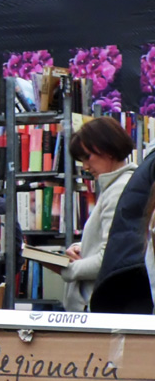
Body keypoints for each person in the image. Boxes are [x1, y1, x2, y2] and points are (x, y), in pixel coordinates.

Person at [58, 117, 135, 312]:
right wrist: (82, 247)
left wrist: (67, 269)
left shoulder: (118, 190)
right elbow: (115, 241)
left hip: (97, 304)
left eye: (87, 157)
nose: (85, 166)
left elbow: (111, 257)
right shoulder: (117, 186)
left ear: (107, 150)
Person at [91, 143, 155, 314]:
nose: (85, 166)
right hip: (137, 279)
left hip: (129, 279)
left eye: (87, 157)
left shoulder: (142, 170)